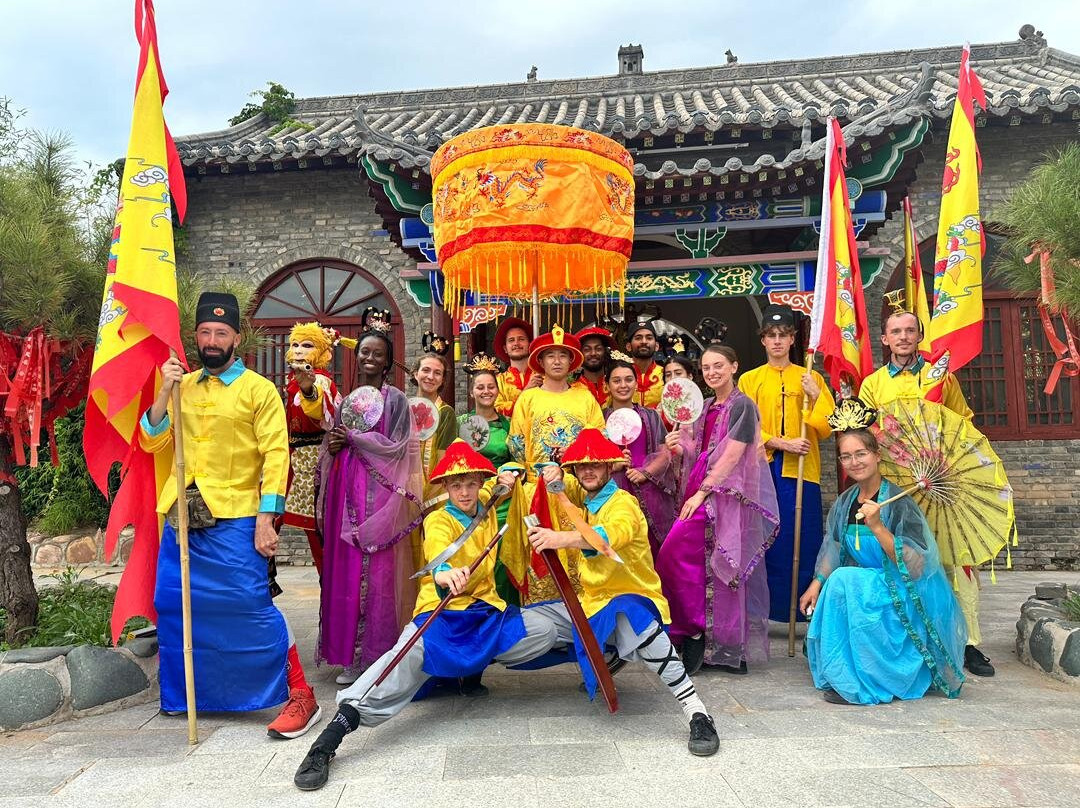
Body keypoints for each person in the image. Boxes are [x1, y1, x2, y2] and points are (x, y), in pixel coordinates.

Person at [293, 442, 558, 791]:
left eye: (471, 483)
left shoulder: (487, 501)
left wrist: (509, 475)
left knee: (545, 630)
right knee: (394, 666)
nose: (464, 493)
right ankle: (329, 739)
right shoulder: (439, 520)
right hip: (442, 614)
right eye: (456, 485)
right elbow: (438, 552)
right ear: (446, 486)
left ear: (481, 482)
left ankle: (469, 670)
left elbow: (501, 484)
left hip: (486, 612)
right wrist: (445, 573)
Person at [139, 292, 320, 738]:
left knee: (249, 605)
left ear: (237, 338)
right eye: (205, 332)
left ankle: (300, 694)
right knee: (177, 605)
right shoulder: (181, 384)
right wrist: (163, 391)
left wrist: (267, 518)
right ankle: (193, 695)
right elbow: (151, 440)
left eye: (221, 333)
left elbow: (276, 456)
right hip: (182, 515)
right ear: (195, 336)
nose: (212, 340)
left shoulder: (258, 390)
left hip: (237, 517)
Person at [516, 429, 719, 756]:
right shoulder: (586, 499)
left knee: (629, 614)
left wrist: (559, 538)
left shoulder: (622, 503)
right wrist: (551, 475)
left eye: (595, 464)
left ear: (610, 466)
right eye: (582, 466)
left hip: (633, 598)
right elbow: (556, 491)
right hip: (591, 603)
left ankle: (697, 711)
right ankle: (465, 672)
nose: (588, 471)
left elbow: (607, 537)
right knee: (523, 623)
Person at [798, 398, 967, 705]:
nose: (854, 462)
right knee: (841, 580)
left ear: (876, 456)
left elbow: (916, 567)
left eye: (861, 453)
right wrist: (815, 583)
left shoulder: (899, 502)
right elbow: (834, 547)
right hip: (866, 587)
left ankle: (867, 680)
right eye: (846, 456)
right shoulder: (844, 502)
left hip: (898, 590)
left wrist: (878, 527)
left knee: (845, 579)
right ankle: (844, 673)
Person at [857, 303, 993, 677]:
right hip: (897, 486)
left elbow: (963, 423)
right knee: (903, 557)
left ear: (919, 336)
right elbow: (866, 436)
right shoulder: (873, 384)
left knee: (955, 559)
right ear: (884, 339)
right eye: (895, 332)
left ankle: (967, 642)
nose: (903, 337)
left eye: (909, 330)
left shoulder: (940, 377)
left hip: (942, 481)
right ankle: (912, 635)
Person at [655, 343, 779, 676]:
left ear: (734, 366)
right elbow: (698, 451)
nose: (712, 372)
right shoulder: (706, 406)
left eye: (719, 365)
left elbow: (732, 455)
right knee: (694, 561)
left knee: (709, 562)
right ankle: (701, 634)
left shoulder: (744, 406)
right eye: (707, 367)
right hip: (700, 488)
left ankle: (718, 641)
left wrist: (702, 494)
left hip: (723, 494)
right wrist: (677, 446)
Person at [316, 308, 423, 686]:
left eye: (378, 354)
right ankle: (348, 657)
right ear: (356, 356)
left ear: (388, 361)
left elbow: (399, 448)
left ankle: (379, 654)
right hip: (346, 492)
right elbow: (333, 443)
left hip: (380, 497)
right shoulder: (346, 401)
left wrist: (355, 438)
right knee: (345, 572)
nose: (370, 358)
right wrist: (333, 446)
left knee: (378, 575)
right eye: (365, 352)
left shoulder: (396, 401)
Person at [738, 304, 834, 624]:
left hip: (803, 471)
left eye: (783, 335)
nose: (777, 341)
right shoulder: (749, 380)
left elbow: (828, 426)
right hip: (763, 469)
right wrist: (781, 443)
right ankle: (768, 611)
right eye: (771, 335)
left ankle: (805, 611)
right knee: (768, 538)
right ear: (763, 340)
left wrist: (815, 395)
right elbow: (743, 426)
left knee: (804, 538)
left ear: (793, 339)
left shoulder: (810, 377)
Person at [281, 322, 347, 575]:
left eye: (307, 345)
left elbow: (320, 410)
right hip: (294, 458)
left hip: (314, 461)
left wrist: (307, 390)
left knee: (319, 530)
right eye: (295, 345)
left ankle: (330, 584)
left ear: (323, 353)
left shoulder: (319, 380)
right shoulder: (293, 379)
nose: (299, 350)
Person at [458, 352, 519, 606]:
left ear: (498, 390)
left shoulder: (509, 425)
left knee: (501, 559)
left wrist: (509, 474)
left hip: (501, 500)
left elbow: (519, 461)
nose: (486, 391)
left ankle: (506, 612)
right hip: (469, 498)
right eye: (480, 387)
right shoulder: (461, 423)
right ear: (472, 391)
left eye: (490, 387)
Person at [604, 351, 676, 559]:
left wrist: (645, 472)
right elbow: (591, 461)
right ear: (607, 386)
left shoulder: (650, 416)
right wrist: (614, 465)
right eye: (616, 381)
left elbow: (665, 452)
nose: (623, 385)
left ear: (636, 384)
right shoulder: (600, 418)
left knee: (652, 549)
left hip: (648, 490)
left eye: (628, 380)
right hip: (614, 489)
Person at [508, 325, 604, 474]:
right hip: (537, 481)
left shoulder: (585, 397)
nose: (557, 361)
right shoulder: (527, 398)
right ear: (541, 362)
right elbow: (516, 444)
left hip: (579, 479)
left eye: (563, 356)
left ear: (570, 361)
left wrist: (574, 452)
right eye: (550, 356)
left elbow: (600, 438)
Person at [414, 332, 458, 516]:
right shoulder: (403, 408)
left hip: (435, 493)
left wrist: (427, 498)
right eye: (426, 370)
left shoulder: (446, 413)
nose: (430, 377)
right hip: (404, 490)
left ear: (442, 380)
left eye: (437, 373)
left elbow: (443, 462)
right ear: (415, 374)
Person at [493, 317, 539, 416]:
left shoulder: (542, 376)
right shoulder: (498, 382)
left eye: (521, 339)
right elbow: (498, 412)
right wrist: (526, 391)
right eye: (511, 340)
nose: (516, 343)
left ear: (530, 344)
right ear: (505, 348)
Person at [625, 320, 665, 409]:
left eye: (649, 338)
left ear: (657, 346)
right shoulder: (620, 375)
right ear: (628, 346)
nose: (644, 341)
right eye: (638, 338)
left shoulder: (666, 374)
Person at [574, 325, 615, 409]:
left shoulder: (616, 384)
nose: (593, 353)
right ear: (580, 354)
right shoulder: (572, 387)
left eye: (598, 349)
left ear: (605, 352)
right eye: (587, 350)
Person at [660, 351, 696, 431]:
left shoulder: (703, 407)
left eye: (678, 373)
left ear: (690, 376)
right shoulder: (657, 411)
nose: (673, 378)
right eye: (668, 375)